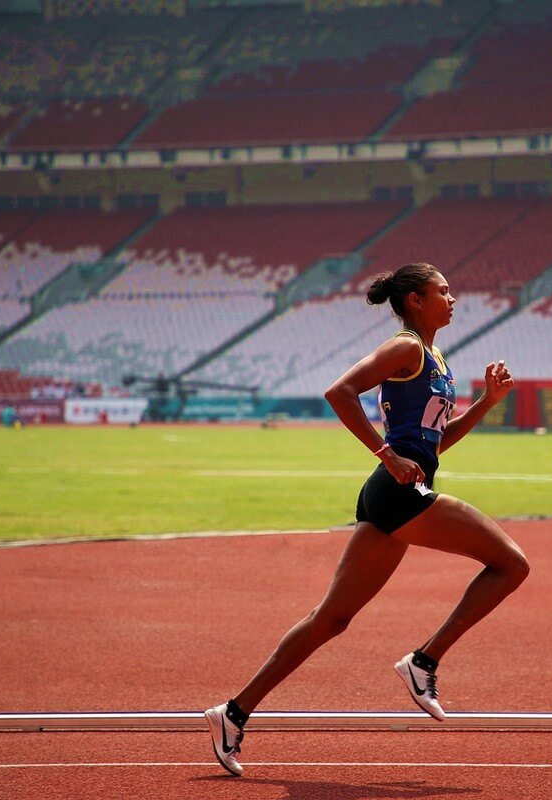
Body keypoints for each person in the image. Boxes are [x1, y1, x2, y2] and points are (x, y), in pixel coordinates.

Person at [204, 263, 530, 777]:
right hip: (398, 490)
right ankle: (424, 662)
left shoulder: (436, 357)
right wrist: (386, 454)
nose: (453, 298)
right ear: (416, 300)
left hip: (393, 492)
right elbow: (340, 391)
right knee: (511, 565)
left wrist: (488, 403)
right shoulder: (406, 349)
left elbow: (436, 442)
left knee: (331, 619)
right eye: (442, 291)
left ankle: (233, 713)